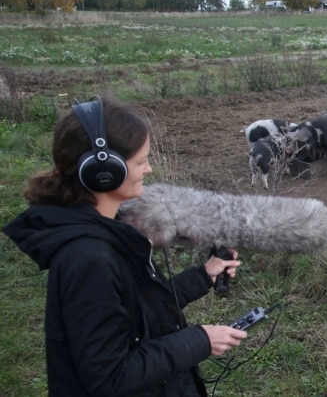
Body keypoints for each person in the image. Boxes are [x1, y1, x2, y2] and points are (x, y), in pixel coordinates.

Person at [3, 96, 247, 396]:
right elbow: (109, 376)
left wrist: (204, 276)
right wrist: (199, 341)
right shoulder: (89, 258)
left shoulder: (107, 231)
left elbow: (134, 310)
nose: (150, 170)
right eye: (141, 161)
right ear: (103, 172)